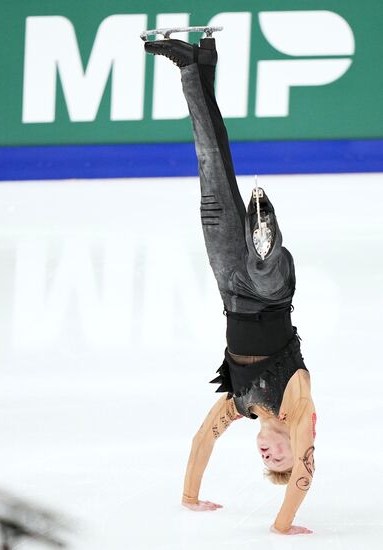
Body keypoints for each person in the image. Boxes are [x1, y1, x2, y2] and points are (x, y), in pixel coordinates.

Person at [143, 35, 316, 536]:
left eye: (268, 459)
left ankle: (195, 66)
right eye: (280, 456)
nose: (272, 452)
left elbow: (202, 440)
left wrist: (189, 496)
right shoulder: (298, 407)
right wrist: (283, 525)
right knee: (265, 267)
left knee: (210, 167)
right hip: (270, 293)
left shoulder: (238, 404)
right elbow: (303, 477)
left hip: (229, 290)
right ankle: (265, 237)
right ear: (294, 445)